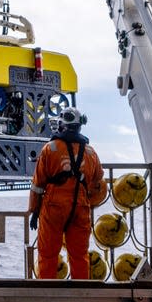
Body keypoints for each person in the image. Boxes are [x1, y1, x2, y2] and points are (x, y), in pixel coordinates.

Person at [28, 107, 105, 280]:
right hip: (80, 209)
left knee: (48, 255)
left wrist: (34, 211)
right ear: (79, 126)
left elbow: (38, 185)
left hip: (54, 208)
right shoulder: (91, 153)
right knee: (79, 256)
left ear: (62, 125)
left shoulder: (50, 148)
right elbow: (98, 181)